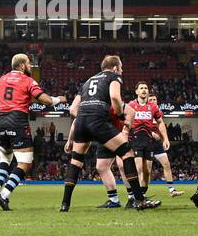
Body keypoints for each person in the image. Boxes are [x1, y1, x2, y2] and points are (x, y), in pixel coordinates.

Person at [59, 56, 159, 212]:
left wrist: (71, 137)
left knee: (76, 162)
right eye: (121, 67)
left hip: (80, 121)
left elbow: (73, 109)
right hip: (97, 120)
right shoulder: (114, 77)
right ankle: (139, 199)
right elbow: (114, 97)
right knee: (127, 153)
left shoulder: (88, 81)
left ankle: (65, 204)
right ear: (114, 68)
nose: (122, 70)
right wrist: (120, 114)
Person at [0, 54, 64, 211]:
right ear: (21, 65)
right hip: (17, 121)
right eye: (28, 63)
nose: (30, 67)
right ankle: (4, 195)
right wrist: (58, 99)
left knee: (5, 159)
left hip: (2, 121)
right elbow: (45, 100)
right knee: (25, 164)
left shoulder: (1, 79)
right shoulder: (27, 80)